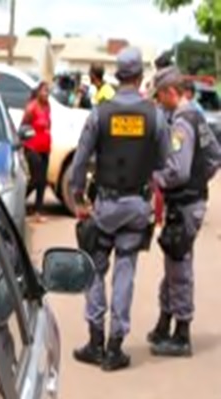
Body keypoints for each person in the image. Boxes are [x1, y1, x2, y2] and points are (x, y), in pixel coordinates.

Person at [69, 47, 171, 371]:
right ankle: (115, 348)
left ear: (118, 75)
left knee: (96, 268)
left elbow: (80, 160)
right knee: (125, 271)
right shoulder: (155, 116)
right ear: (139, 77)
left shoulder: (100, 114)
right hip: (137, 206)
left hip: (106, 206)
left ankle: (95, 342)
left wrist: (77, 197)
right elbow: (165, 162)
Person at [148, 66, 221, 357]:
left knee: (179, 268)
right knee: (173, 263)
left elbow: (177, 172)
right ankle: (164, 322)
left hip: (185, 205)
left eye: (160, 95)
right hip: (192, 201)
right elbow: (214, 156)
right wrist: (199, 180)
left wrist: (155, 178)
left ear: (170, 92)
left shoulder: (181, 123)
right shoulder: (196, 115)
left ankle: (181, 334)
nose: (158, 101)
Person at [22, 81, 52, 223]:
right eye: (44, 91)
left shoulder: (47, 107)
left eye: (48, 91)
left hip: (45, 149)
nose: (46, 94)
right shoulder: (31, 108)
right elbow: (23, 127)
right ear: (38, 92)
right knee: (36, 179)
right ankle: (19, 200)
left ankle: (38, 211)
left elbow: (48, 125)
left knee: (42, 182)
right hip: (32, 148)